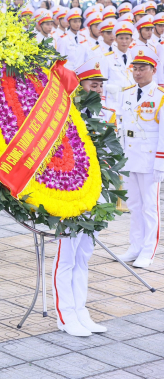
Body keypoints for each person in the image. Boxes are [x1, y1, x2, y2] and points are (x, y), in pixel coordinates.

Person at [51, 58, 111, 338]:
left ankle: (81, 310)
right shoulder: (65, 113)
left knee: (84, 254)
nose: (97, 88)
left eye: (100, 84)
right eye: (91, 83)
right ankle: (65, 314)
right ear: (78, 85)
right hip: (69, 192)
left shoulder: (103, 115)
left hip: (94, 194)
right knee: (66, 255)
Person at [116, 48, 164, 268]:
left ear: (153, 70)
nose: (137, 73)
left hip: (149, 159)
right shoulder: (126, 93)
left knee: (149, 207)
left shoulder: (160, 97)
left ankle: (148, 251)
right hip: (129, 158)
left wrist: (160, 163)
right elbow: (120, 126)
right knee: (134, 205)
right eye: (135, 68)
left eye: (142, 69)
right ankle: (135, 246)